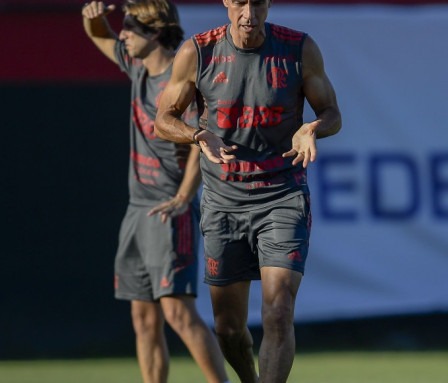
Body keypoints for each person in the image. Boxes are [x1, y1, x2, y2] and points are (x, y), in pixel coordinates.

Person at [154, 0, 342, 381]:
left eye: (257, 3)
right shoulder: (199, 51)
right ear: (226, 2)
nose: (248, 14)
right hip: (224, 201)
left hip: (282, 195)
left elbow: (332, 113)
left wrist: (312, 127)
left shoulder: (298, 48)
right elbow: (163, 119)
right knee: (227, 327)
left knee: (278, 310)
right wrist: (195, 133)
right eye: (240, 3)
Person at [81, 2, 230, 383]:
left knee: (178, 313)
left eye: (131, 27)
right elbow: (99, 33)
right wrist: (95, 14)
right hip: (138, 209)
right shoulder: (138, 68)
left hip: (170, 209)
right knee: (143, 319)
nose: (123, 34)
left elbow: (202, 141)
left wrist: (184, 197)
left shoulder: (178, 83)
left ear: (156, 32)